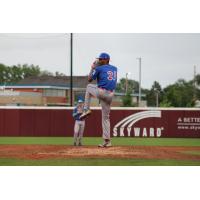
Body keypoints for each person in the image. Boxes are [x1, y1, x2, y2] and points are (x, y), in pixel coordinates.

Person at [80, 52, 117, 147]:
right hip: (111, 95)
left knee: (88, 87)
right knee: (106, 118)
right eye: (99, 59)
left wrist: (92, 67)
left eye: (101, 59)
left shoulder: (98, 68)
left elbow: (89, 79)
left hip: (102, 92)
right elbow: (106, 78)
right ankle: (107, 142)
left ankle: (86, 109)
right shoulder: (114, 68)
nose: (99, 60)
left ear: (106, 60)